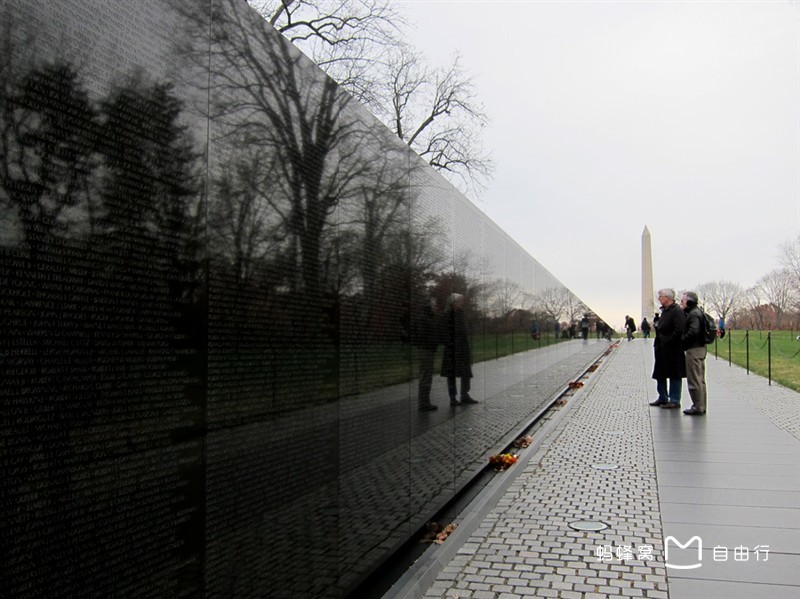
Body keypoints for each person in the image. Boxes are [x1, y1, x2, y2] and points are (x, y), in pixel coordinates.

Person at [650, 289, 686, 409]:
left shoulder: (677, 311)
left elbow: (679, 330)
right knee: (660, 373)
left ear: (668, 298)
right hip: (661, 348)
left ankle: (674, 399)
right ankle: (663, 397)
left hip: (673, 349)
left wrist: (668, 340)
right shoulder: (665, 311)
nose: (659, 298)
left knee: (674, 374)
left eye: (661, 296)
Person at [440, 293, 478, 406]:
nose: (462, 303)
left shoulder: (461, 315)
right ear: (453, 302)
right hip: (452, 351)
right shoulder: (448, 316)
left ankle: (464, 395)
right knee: (451, 375)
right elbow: (444, 333)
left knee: (466, 373)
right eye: (460, 301)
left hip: (463, 350)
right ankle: (453, 398)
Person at [681, 291, 707, 416]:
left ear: (689, 301)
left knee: (694, 379)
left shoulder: (693, 315)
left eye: (683, 301)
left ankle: (697, 406)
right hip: (700, 349)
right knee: (700, 379)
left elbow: (693, 331)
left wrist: (683, 340)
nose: (681, 303)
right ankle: (701, 405)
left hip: (694, 349)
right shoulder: (699, 312)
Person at [412, 297, 440, 412]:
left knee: (426, 376)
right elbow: (424, 337)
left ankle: (425, 402)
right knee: (425, 377)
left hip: (427, 350)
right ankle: (423, 403)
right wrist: (434, 341)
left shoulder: (426, 318)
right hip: (426, 351)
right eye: (434, 305)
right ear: (429, 307)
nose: (436, 307)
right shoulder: (424, 320)